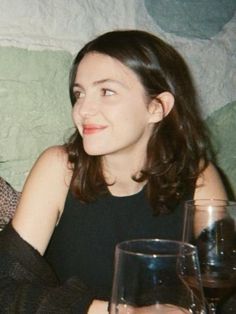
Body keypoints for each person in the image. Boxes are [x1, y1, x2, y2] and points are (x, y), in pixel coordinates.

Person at [0, 30, 227, 313]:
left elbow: (222, 289)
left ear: (157, 107)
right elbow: (5, 288)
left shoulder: (199, 176)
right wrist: (121, 312)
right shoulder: (60, 168)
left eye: (106, 91)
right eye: (79, 93)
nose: (83, 109)